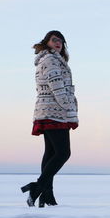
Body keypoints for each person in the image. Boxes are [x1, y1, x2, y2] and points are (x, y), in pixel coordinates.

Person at [20, 30, 79, 207]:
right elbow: (57, 88)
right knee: (63, 153)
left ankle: (47, 195)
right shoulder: (51, 60)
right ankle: (37, 187)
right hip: (55, 110)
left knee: (52, 153)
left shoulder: (49, 59)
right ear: (47, 43)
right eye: (54, 40)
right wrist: (69, 106)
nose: (58, 43)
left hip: (48, 110)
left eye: (61, 41)